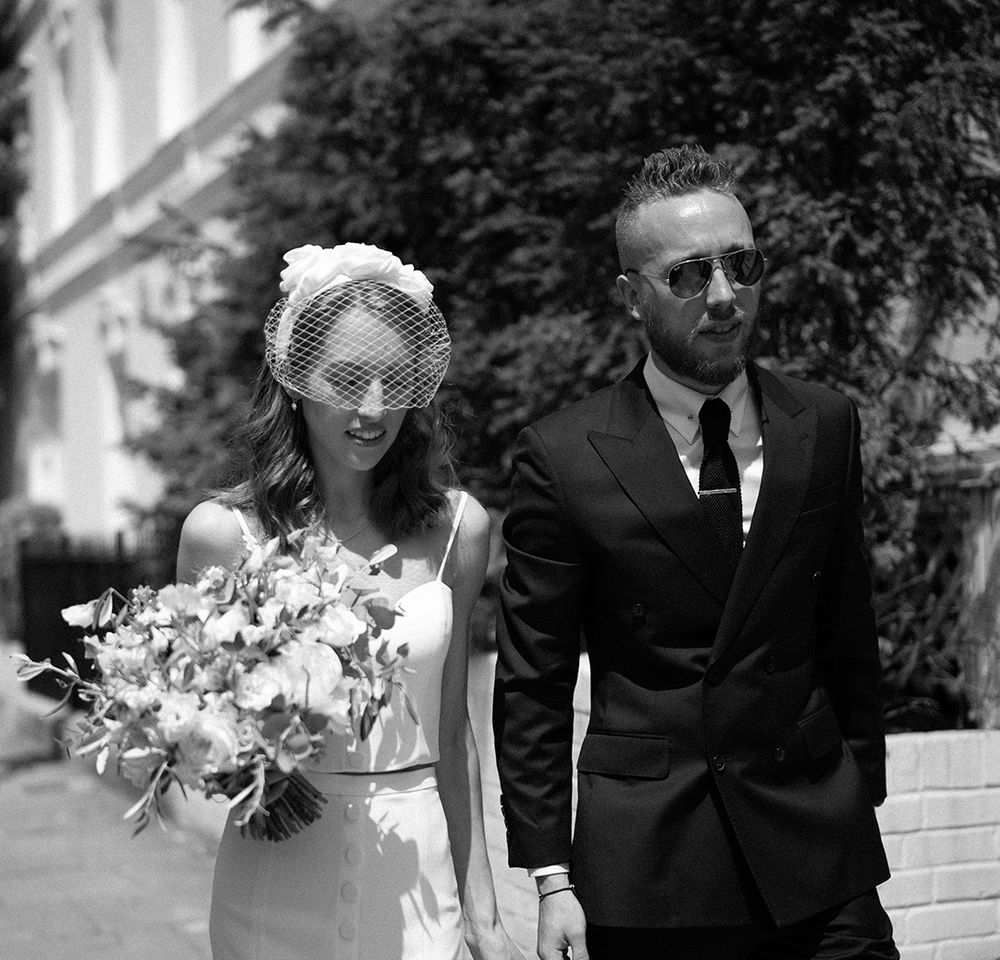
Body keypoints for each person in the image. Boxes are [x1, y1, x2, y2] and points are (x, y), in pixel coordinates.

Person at [493, 145, 898, 959]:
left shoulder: (821, 423)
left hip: (817, 848)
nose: (724, 297)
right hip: (652, 866)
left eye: (742, 265)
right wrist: (551, 875)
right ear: (629, 297)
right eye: (687, 275)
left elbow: (847, 624)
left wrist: (859, 788)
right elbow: (532, 683)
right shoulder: (565, 455)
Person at [177, 242, 524, 960]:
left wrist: (483, 918)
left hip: (419, 888)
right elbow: (193, 741)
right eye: (346, 380)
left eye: (392, 380)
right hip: (273, 884)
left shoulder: (461, 529)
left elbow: (454, 736)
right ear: (295, 379)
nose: (372, 409)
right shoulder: (224, 536)